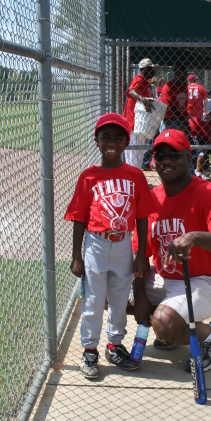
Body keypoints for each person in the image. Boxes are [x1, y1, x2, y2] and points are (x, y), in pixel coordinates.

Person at [132, 129, 211, 372]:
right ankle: (172, 327)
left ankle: (207, 336)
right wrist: (139, 291)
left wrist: (193, 237)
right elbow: (139, 255)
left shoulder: (207, 193)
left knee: (164, 322)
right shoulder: (152, 198)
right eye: (160, 155)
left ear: (189, 159)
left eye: (174, 154)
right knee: (109, 291)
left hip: (209, 281)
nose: (166, 160)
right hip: (167, 278)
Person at [64, 113, 156, 379]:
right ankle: (89, 350)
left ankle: (114, 345)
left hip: (124, 243)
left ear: (127, 142)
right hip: (96, 244)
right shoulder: (89, 176)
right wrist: (76, 256)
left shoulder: (135, 175)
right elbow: (80, 217)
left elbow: (141, 216)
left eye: (119, 137)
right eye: (106, 137)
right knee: (93, 299)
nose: (112, 143)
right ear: (97, 141)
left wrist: (140, 254)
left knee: (118, 298)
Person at [123, 58, 155, 168]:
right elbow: (131, 91)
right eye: (151, 69)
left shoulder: (146, 81)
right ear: (145, 69)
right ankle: (133, 180)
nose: (153, 71)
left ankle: (133, 179)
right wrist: (142, 99)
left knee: (137, 154)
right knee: (134, 154)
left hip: (140, 123)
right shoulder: (139, 79)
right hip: (134, 123)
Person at [187, 74, 209, 178]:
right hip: (199, 118)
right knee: (200, 145)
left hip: (188, 117)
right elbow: (205, 102)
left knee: (190, 144)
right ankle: (197, 171)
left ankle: (192, 171)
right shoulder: (201, 88)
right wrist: (206, 113)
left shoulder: (186, 88)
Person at [160, 64, 189, 134]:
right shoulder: (168, 87)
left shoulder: (184, 86)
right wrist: (183, 123)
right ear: (177, 73)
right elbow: (171, 107)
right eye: (183, 74)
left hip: (183, 119)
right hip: (171, 121)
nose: (185, 77)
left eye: (186, 74)